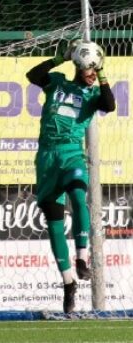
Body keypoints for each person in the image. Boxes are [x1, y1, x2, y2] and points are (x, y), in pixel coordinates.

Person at [26, 41, 116, 314]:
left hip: (71, 153)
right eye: (89, 67)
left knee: (79, 195)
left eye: (95, 68)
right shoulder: (57, 82)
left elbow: (110, 105)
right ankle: (68, 282)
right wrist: (58, 58)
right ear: (78, 64)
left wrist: (101, 73)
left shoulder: (92, 96)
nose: (92, 72)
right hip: (47, 157)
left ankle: (81, 258)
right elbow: (32, 75)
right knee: (53, 218)